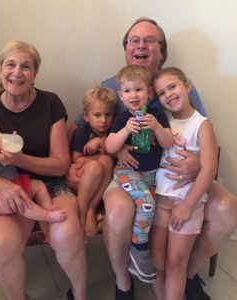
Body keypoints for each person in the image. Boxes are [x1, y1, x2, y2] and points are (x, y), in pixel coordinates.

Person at [69, 17, 237, 300]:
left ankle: (186, 275)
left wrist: (199, 163)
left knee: (228, 208)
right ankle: (124, 283)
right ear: (125, 49)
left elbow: (201, 131)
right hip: (130, 171)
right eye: (134, 40)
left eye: (150, 40)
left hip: (177, 171)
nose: (141, 45)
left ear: (162, 51)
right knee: (121, 211)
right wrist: (103, 150)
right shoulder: (113, 85)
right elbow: (81, 126)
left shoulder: (177, 84)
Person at [0, 40, 87, 300]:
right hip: (7, 186)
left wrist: (20, 160)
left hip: (48, 183)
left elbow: (60, 163)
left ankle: (81, 296)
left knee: (67, 232)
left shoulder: (50, 103)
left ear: (35, 73)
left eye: (26, 66)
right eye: (10, 64)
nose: (17, 72)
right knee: (2, 245)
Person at [150, 67, 218, 300]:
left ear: (187, 86)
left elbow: (209, 168)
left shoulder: (202, 124)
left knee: (175, 263)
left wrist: (188, 205)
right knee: (157, 262)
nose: (168, 94)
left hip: (187, 204)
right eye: (161, 93)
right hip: (161, 201)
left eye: (172, 87)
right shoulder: (164, 122)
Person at [105, 65, 173, 284]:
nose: (133, 95)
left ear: (149, 93)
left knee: (150, 211)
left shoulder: (157, 115)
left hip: (152, 175)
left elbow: (168, 142)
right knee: (147, 205)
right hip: (127, 173)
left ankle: (148, 251)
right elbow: (109, 145)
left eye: (138, 89)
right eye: (127, 91)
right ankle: (139, 251)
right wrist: (125, 130)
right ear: (120, 96)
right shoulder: (122, 119)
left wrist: (157, 128)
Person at [0, 111, 66, 224]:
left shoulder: (0, 145)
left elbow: (15, 155)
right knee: (19, 202)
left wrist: (13, 143)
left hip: (15, 181)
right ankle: (47, 216)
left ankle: (49, 207)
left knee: (39, 185)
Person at [67, 86, 116, 237]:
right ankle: (82, 212)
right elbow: (76, 159)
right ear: (86, 116)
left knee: (107, 161)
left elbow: (117, 157)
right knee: (97, 164)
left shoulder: (114, 132)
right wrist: (98, 157)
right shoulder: (82, 132)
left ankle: (91, 208)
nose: (103, 120)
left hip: (104, 180)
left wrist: (103, 146)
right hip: (85, 178)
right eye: (97, 115)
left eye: (108, 115)